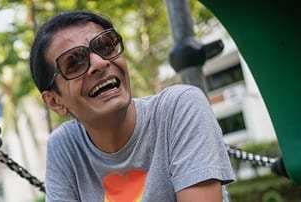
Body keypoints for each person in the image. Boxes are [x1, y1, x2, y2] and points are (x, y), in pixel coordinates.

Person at [29, 10, 235, 201]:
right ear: (55, 101)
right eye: (73, 63)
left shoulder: (180, 107)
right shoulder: (64, 146)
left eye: (106, 46)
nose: (100, 63)